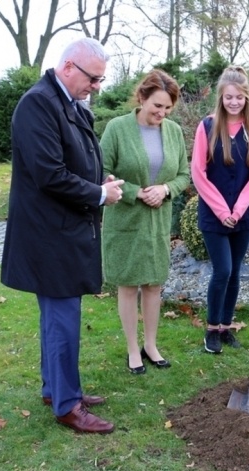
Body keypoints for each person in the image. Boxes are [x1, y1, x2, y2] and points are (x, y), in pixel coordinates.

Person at [1, 38, 124, 434]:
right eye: (94, 78)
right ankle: (67, 406)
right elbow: (49, 173)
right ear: (69, 66)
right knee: (62, 319)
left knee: (58, 317)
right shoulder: (38, 104)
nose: (97, 87)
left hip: (63, 229)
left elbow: (73, 158)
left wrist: (96, 179)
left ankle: (56, 388)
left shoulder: (69, 103)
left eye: (101, 80)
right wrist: (101, 195)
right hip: (48, 234)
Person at [100, 69, 190, 374]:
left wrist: (165, 190)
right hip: (125, 219)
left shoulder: (174, 132)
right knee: (128, 286)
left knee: (153, 284)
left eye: (167, 108)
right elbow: (102, 172)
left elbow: (183, 175)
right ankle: (131, 349)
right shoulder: (116, 128)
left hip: (157, 222)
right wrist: (136, 192)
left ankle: (150, 345)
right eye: (156, 106)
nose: (161, 113)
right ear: (141, 98)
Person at [190, 65, 249, 354]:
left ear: (247, 98)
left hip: (243, 214)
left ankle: (225, 326)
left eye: (239, 97)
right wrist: (223, 210)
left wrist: (239, 208)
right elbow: (199, 172)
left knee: (235, 273)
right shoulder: (207, 127)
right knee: (221, 270)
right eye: (228, 97)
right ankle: (211, 329)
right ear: (221, 98)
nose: (234, 102)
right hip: (214, 213)